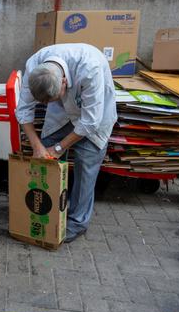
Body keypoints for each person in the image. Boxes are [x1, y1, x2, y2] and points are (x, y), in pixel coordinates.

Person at [15, 43, 117, 243]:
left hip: (94, 114)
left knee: (86, 167)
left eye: (54, 98)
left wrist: (59, 148)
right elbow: (23, 110)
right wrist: (37, 146)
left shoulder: (90, 68)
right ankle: (45, 211)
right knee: (45, 161)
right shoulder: (34, 66)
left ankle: (77, 222)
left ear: (64, 81)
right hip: (61, 115)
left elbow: (89, 122)